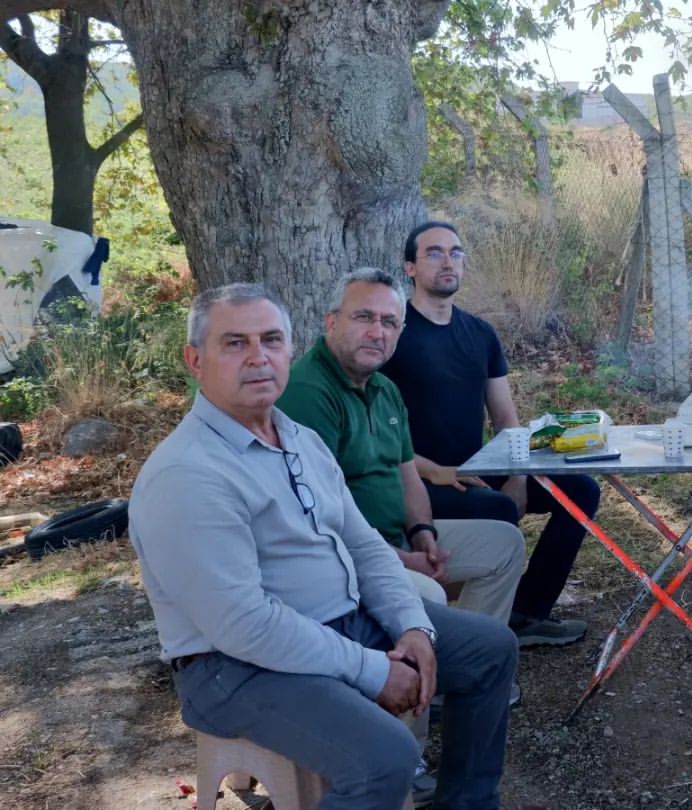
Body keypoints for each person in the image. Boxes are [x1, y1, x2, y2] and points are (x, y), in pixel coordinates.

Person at [129, 283, 516, 810]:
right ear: (195, 360)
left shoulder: (297, 438)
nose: (259, 357)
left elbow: (363, 545)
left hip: (339, 621)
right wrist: (371, 668)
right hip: (232, 667)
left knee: (490, 650)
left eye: (271, 339)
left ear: (290, 349)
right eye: (235, 343)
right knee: (383, 758)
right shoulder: (188, 474)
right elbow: (243, 625)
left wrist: (412, 625)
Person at [383, 221, 600, 648]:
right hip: (420, 479)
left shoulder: (479, 333)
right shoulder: (393, 333)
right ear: (409, 267)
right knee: (497, 509)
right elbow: (381, 433)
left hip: (480, 468)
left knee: (579, 491)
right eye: (433, 252)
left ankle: (526, 613)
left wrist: (517, 474)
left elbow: (505, 418)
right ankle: (464, 636)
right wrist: (437, 471)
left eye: (456, 252)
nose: (448, 261)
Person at [277, 269, 525, 622]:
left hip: (398, 540)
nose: (377, 332)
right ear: (331, 321)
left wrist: (422, 533)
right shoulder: (308, 392)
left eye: (390, 322)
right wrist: (404, 560)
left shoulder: (384, 390)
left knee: (504, 544)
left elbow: (407, 476)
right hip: (342, 559)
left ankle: (471, 659)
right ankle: (434, 661)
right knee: (431, 593)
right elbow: (318, 520)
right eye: (363, 317)